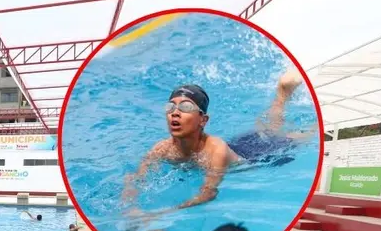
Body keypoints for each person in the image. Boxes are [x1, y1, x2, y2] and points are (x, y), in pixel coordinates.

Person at [123, 71, 307, 218]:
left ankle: (283, 94)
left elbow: (208, 193)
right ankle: (282, 95)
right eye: (170, 107)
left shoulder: (215, 151)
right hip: (235, 145)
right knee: (269, 129)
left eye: (185, 107)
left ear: (203, 120)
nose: (175, 113)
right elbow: (134, 179)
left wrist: (158, 215)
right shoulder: (162, 149)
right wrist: (131, 209)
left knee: (293, 136)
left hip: (253, 157)